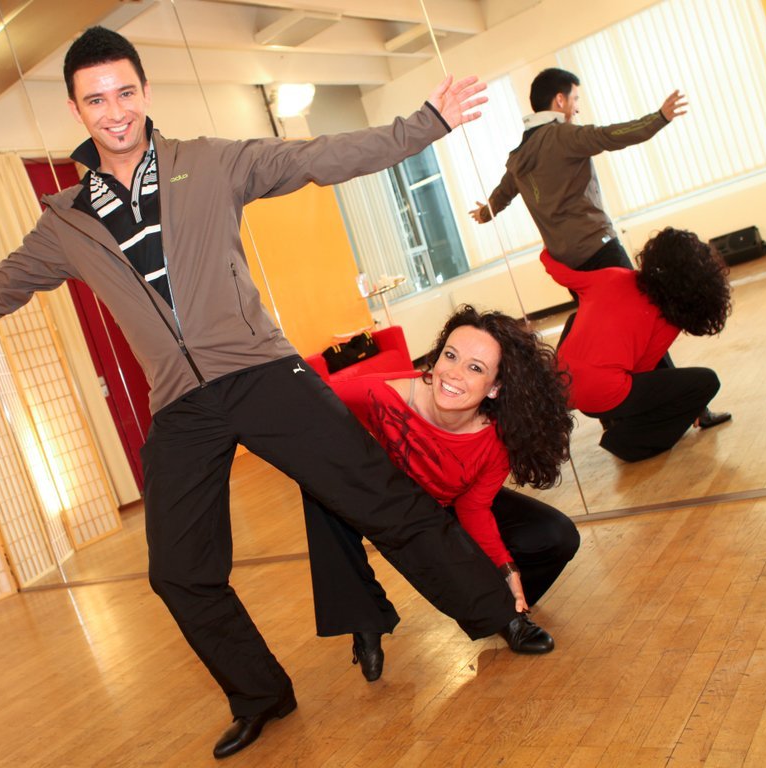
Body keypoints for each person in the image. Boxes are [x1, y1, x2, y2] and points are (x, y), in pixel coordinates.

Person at [0, 26, 524, 760]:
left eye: (124, 93)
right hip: (179, 403)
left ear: (144, 92)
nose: (114, 111)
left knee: (383, 500)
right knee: (177, 571)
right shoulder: (64, 222)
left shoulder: (211, 162)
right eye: (96, 99)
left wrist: (426, 124)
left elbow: (317, 157)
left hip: (261, 371)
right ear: (75, 109)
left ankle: (498, 616)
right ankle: (261, 696)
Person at [303, 306, 579, 681]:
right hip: (386, 502)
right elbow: (307, 403)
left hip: (447, 503)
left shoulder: (496, 434)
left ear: (495, 387)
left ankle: (503, 607)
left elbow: (474, 507)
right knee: (316, 478)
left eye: (475, 368)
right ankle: (363, 616)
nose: (453, 373)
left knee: (557, 535)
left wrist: (506, 568)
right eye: (450, 355)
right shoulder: (380, 394)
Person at [469, 67, 729, 428]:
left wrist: (486, 212)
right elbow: (610, 135)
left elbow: (503, 192)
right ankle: (694, 409)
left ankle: (613, 416)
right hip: (601, 250)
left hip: (568, 261)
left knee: (599, 334)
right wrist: (659, 118)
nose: (577, 107)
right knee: (649, 322)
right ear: (559, 100)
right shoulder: (562, 136)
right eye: (575, 99)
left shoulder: (519, 155)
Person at [541, 227, 733, 462]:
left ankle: (568, 404)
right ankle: (627, 442)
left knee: (575, 317)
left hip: (563, 386)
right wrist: (682, 408)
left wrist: (548, 249)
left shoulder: (613, 275)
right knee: (707, 381)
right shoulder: (670, 317)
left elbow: (560, 273)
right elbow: (642, 369)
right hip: (603, 396)